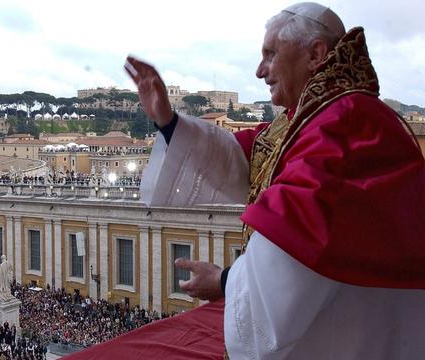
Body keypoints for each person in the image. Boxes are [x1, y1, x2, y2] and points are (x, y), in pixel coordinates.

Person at [121, 2, 425, 359]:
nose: (259, 70)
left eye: (270, 54)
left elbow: (284, 272)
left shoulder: (341, 130)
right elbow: (242, 157)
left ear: (315, 54)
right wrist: (168, 121)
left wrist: (224, 281)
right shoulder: (321, 117)